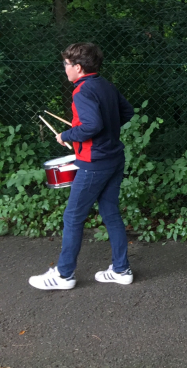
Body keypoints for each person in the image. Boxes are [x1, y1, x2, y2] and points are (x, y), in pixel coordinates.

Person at [29, 43, 135, 290]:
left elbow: (92, 125)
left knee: (73, 216)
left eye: (66, 65)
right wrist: (106, 128)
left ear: (78, 67)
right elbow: (127, 112)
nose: (64, 69)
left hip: (94, 162)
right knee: (110, 212)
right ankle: (121, 269)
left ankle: (64, 275)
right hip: (114, 158)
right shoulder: (106, 85)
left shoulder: (83, 91)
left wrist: (67, 135)